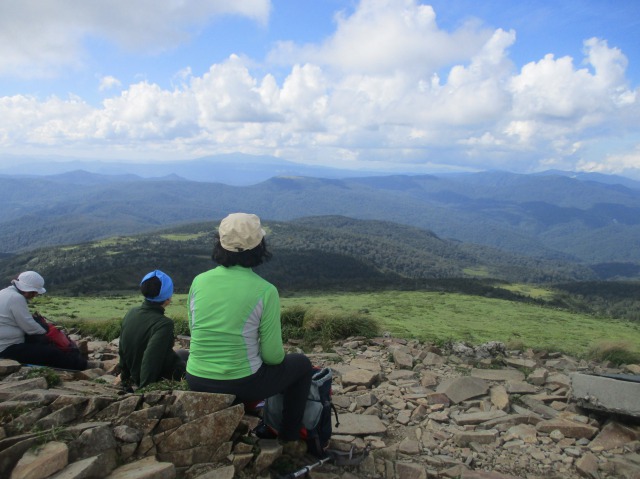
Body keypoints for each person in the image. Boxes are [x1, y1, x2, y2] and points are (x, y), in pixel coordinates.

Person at [186, 213, 313, 455]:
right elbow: (274, 357)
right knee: (302, 365)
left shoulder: (198, 281)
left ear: (220, 243)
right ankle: (289, 438)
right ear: (259, 247)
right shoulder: (265, 291)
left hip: (196, 378)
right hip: (241, 383)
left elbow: (196, 331)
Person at [0, 271, 89, 370]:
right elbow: (29, 327)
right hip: (6, 348)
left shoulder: (4, 293)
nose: (35, 295)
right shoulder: (16, 298)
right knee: (51, 353)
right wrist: (47, 333)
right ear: (29, 290)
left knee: (40, 347)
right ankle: (82, 366)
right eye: (35, 293)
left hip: (5, 343)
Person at [119, 269, 189, 389]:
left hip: (135, 373)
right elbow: (151, 358)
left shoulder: (131, 312)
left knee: (182, 353)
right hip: (158, 376)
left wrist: (125, 379)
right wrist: (145, 389)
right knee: (192, 365)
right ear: (168, 298)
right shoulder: (164, 324)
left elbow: (122, 348)